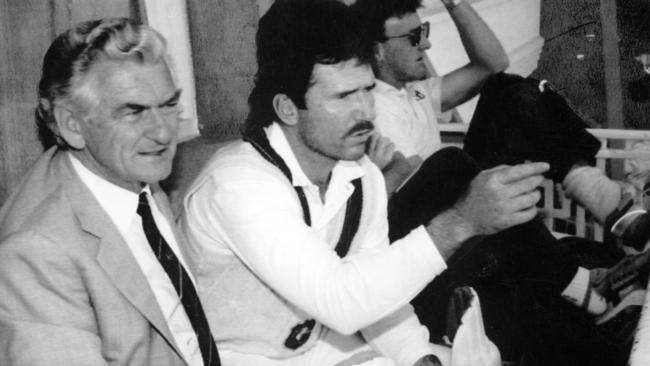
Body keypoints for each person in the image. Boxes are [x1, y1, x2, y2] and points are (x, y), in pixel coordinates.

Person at [180, 0, 548, 365]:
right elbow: (340, 301)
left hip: (321, 348)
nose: (366, 112)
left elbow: (375, 290)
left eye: (367, 90)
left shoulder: (360, 175)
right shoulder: (239, 184)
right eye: (343, 96)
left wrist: (419, 356)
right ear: (287, 107)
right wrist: (461, 222)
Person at [350, 0, 638, 364]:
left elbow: (492, 64)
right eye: (413, 37)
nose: (426, 45)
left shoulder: (414, 92)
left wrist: (454, 4)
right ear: (377, 50)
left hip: (459, 204)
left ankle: (609, 205)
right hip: (435, 232)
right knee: (451, 164)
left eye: (425, 32)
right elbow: (420, 183)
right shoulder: (371, 105)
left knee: (506, 89)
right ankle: (594, 258)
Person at [0, 18, 220, 366]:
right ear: (72, 125)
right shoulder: (35, 252)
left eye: (167, 105)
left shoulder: (124, 165)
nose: (163, 133)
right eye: (134, 112)